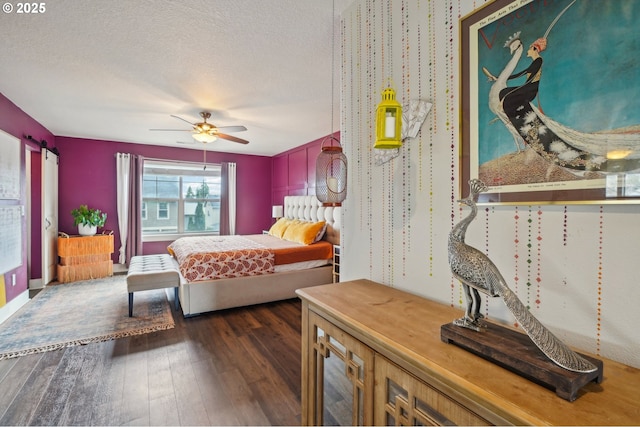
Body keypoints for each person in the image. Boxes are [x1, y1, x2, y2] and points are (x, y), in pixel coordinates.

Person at [499, 37, 547, 120]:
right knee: (503, 92)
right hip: (526, 89)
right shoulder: (536, 61)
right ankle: (513, 115)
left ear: (534, 49)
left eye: (530, 48)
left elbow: (530, 80)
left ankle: (515, 116)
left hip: (529, 91)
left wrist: (518, 90)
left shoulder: (538, 61)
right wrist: (498, 78)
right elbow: (521, 74)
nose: (528, 51)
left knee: (507, 96)